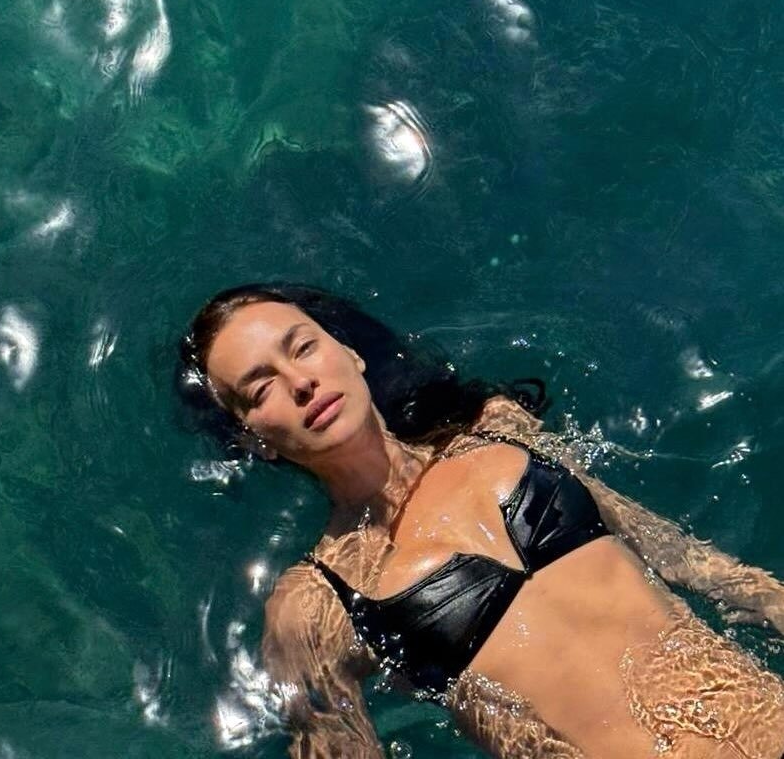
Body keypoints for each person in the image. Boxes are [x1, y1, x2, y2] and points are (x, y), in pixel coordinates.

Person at [179, 283, 784, 759]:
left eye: (303, 347)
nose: (300, 382)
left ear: (350, 353)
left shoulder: (501, 431)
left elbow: (684, 558)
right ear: (254, 440)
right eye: (261, 389)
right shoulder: (316, 605)